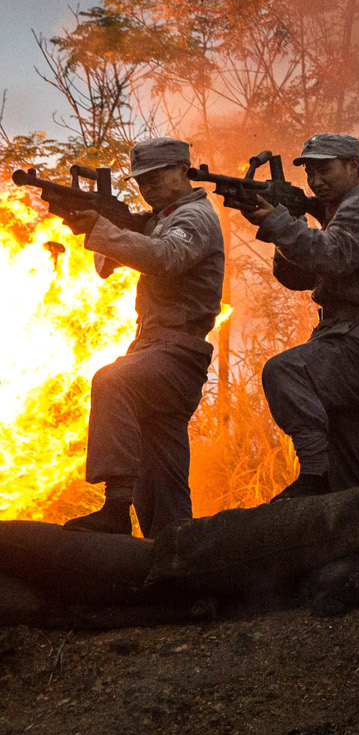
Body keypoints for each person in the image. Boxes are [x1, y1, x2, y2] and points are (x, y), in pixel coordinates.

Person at [62, 137, 225, 537]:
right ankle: (175, 553)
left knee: (112, 380)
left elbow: (165, 258)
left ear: (183, 171)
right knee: (160, 481)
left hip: (177, 351)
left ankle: (116, 506)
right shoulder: (159, 220)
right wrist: (106, 223)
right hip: (155, 348)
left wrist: (104, 228)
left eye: (155, 177)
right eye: (141, 180)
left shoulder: (194, 217)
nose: (146, 186)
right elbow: (106, 267)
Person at [234, 133, 359, 496]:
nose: (315, 180)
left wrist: (282, 224)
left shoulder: (358, 207)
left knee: (284, 371)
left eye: (325, 170)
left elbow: (334, 255)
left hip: (357, 344)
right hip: (347, 340)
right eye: (310, 172)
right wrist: (284, 224)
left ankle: (312, 473)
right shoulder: (337, 212)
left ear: (354, 166)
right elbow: (299, 278)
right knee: (345, 475)